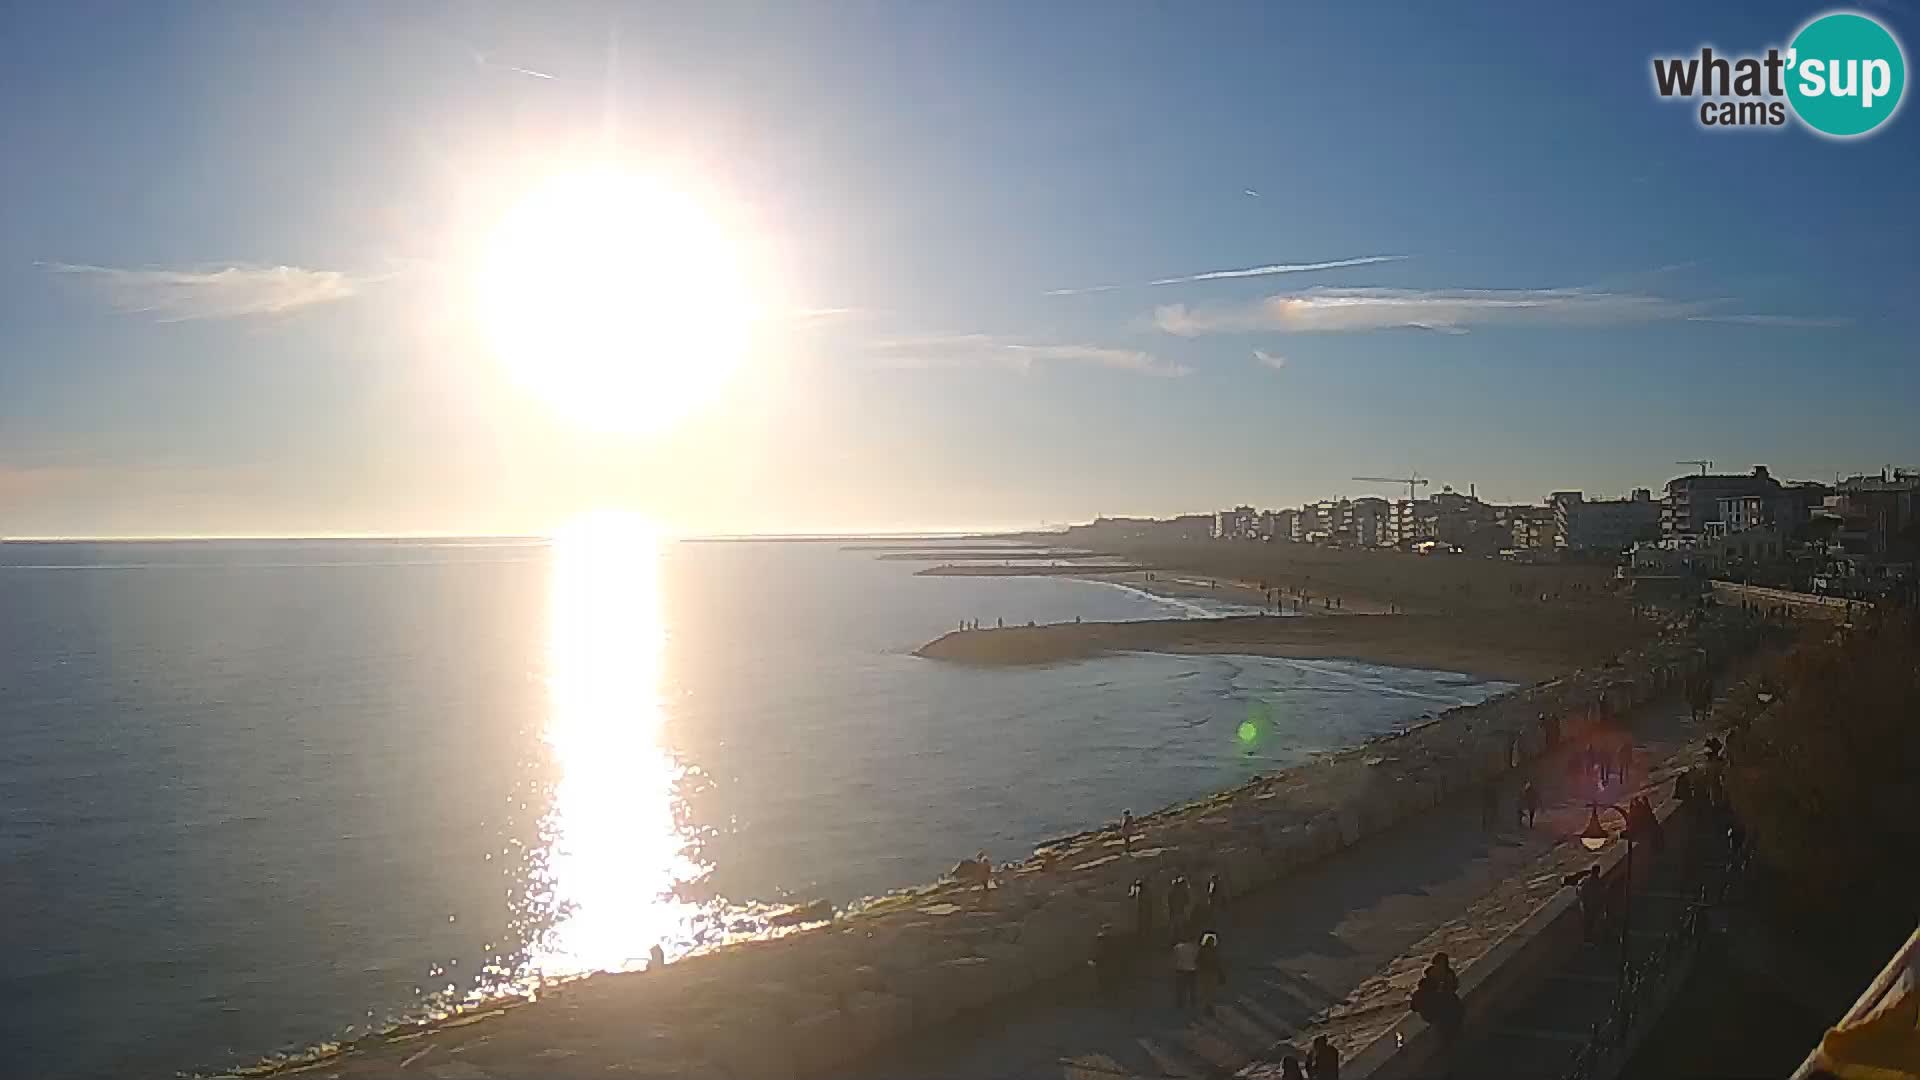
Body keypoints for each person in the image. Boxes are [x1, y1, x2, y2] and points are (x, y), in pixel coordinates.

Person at [1197, 932, 1224, 1007]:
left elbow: (1198, 961)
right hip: (1210, 972)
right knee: (1210, 990)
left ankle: (1207, 1004)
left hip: (1208, 972)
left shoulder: (1202, 950)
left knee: (1207, 990)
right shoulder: (1214, 951)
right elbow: (1218, 962)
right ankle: (1208, 1005)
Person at [1172, 936, 1200, 1009]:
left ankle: (1180, 1003)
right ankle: (1193, 1003)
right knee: (1192, 988)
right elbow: (1197, 958)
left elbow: (1175, 957)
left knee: (1180, 988)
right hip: (1192, 969)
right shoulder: (1195, 947)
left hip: (1180, 969)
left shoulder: (1178, 947)